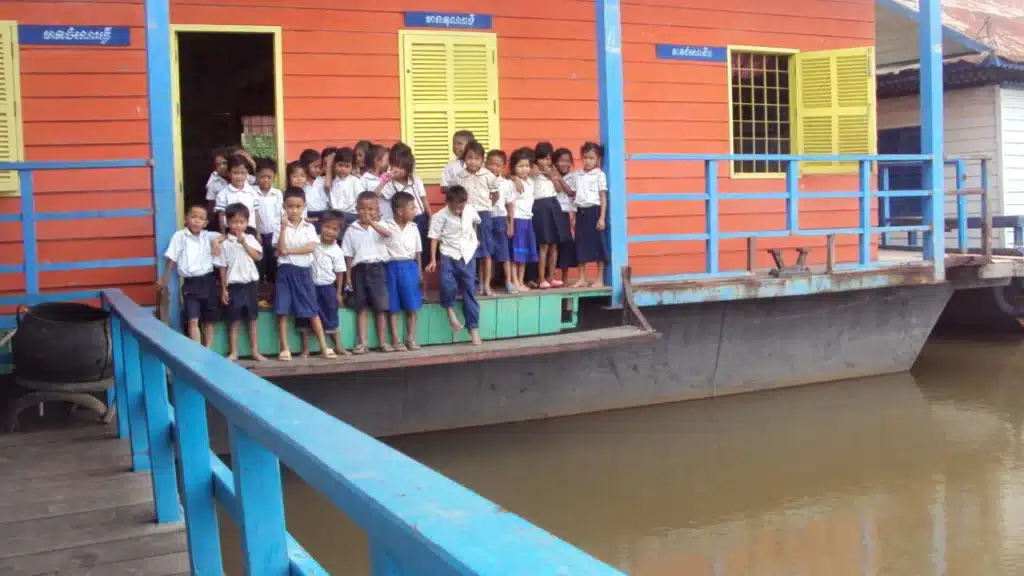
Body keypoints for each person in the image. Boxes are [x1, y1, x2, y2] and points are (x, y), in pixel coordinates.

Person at [273, 187, 335, 360]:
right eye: (290, 206)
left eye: (298, 206)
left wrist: (289, 250)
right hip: (285, 272)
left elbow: (310, 247)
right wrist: (283, 229)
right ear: (284, 207)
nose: (294, 210)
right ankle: (285, 348)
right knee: (283, 310)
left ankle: (324, 346)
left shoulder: (309, 227)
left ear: (304, 206)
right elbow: (279, 250)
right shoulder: (279, 227)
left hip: (303, 272)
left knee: (312, 309)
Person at [427, 185, 483, 346]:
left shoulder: (470, 210)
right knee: (447, 285)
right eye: (454, 208)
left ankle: (474, 330)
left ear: (465, 202)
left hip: (467, 255)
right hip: (448, 254)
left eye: (460, 207)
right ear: (447, 202)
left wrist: (475, 238)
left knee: (469, 291)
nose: (458, 211)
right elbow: (434, 238)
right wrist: (432, 259)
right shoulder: (439, 216)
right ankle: (450, 313)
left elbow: (476, 223)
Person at [158, 203, 220, 346]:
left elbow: (224, 236)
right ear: (186, 219)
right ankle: (197, 350)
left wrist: (216, 241)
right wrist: (164, 279)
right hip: (191, 283)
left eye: (201, 218)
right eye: (193, 217)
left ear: (205, 223)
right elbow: (172, 258)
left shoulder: (208, 236)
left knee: (209, 319)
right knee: (193, 318)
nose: (197, 220)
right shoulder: (180, 236)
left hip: (208, 280)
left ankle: (208, 349)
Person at [341, 191, 393, 354]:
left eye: (371, 209)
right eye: (363, 209)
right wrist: (348, 277)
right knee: (361, 307)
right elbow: (348, 255)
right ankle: (363, 343)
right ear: (357, 209)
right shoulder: (352, 230)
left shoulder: (382, 225)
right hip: (359, 270)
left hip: (378, 269)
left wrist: (373, 224)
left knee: (380, 307)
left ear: (378, 210)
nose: (367, 213)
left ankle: (383, 342)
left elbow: (388, 235)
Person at [214, 203, 265, 361]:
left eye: (242, 222)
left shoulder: (250, 239)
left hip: (250, 285)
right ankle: (234, 352)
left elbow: (257, 256)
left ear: (247, 222)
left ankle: (255, 351)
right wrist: (224, 289)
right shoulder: (224, 243)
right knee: (234, 320)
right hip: (233, 286)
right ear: (227, 223)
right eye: (234, 222)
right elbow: (222, 268)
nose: (238, 225)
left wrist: (244, 242)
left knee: (252, 320)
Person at [299, 211, 349, 357]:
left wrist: (338, 292)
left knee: (331, 316)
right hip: (309, 286)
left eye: (334, 229)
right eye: (327, 227)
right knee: (306, 317)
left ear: (339, 232)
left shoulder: (337, 251)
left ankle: (338, 346)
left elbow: (340, 273)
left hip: (327, 287)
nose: (330, 231)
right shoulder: (312, 243)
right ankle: (306, 349)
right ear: (321, 226)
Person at [455, 140, 499, 295]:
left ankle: (486, 285)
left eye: (477, 158)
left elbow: (495, 194)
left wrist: (487, 206)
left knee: (485, 252)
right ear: (464, 159)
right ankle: (469, 285)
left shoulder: (488, 175)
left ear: (482, 160)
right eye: (469, 158)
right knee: (468, 251)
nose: (473, 161)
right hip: (466, 216)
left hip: (483, 215)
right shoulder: (459, 176)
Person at [383, 192, 424, 351]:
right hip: (391, 267)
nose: (415, 211)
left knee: (412, 305)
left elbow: (418, 252)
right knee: (393, 306)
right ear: (400, 211)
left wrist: (419, 271)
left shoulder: (414, 227)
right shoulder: (387, 225)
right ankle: (396, 339)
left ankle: (411, 339)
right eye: (412, 208)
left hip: (410, 267)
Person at [379, 145, 431, 260]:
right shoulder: (390, 184)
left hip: (421, 218)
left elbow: (424, 199)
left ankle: (421, 273)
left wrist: (430, 217)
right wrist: (384, 181)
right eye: (393, 166)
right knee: (410, 248)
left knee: (423, 248)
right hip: (405, 222)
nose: (395, 170)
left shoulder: (416, 180)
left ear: (407, 168)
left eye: (400, 167)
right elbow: (374, 196)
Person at [531, 141, 571, 289]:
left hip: (554, 205)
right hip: (540, 206)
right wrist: (540, 170)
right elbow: (529, 173)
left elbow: (560, 190)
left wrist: (553, 176)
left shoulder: (552, 170)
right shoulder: (532, 169)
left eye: (548, 159)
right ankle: (541, 278)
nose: (546, 162)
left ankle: (551, 276)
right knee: (544, 244)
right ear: (536, 159)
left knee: (554, 244)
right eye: (542, 158)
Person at [574, 142, 610, 288]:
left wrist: (601, 217)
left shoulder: (600, 175)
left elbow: (602, 197)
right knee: (580, 244)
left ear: (597, 159)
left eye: (591, 158)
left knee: (597, 244)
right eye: (585, 157)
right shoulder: (578, 174)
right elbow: (571, 192)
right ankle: (582, 277)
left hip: (594, 211)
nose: (587, 161)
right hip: (580, 212)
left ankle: (599, 278)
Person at [508, 147, 538, 292]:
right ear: (514, 167)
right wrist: (513, 178)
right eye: (520, 166)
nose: (524, 169)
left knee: (524, 253)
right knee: (516, 254)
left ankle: (521, 280)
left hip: (528, 220)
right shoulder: (512, 182)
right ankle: (515, 281)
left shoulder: (531, 182)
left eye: (527, 166)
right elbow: (511, 203)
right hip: (517, 219)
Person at [486, 149, 514, 292]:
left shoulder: (507, 184)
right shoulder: (482, 180)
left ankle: (508, 282)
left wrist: (510, 224)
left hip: (500, 219)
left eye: (498, 165)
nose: (494, 168)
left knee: (504, 253)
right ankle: (486, 283)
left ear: (503, 167)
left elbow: (510, 205)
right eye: (491, 164)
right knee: (486, 253)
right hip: (485, 218)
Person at [252, 157, 282, 289]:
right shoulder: (252, 192)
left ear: (274, 177)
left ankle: (272, 289)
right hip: (258, 234)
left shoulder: (277, 194)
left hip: (273, 233)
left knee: (273, 262)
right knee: (259, 262)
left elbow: (280, 215)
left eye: (269, 177)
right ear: (256, 177)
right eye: (262, 176)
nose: (265, 180)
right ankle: (260, 289)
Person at [553, 147, 579, 286]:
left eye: (568, 161)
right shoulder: (550, 176)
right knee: (552, 244)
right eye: (561, 161)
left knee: (566, 244)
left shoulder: (573, 177)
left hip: (566, 212)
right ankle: (550, 275)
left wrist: (559, 178)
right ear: (555, 162)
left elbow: (571, 193)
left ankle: (565, 277)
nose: (565, 164)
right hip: (553, 211)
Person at [214, 155, 260, 234]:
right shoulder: (223, 194)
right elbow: (221, 217)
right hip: (230, 231)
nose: (239, 176)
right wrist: (223, 234)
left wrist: (258, 234)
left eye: (242, 173)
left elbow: (256, 214)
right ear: (229, 173)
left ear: (247, 174)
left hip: (250, 231)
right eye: (236, 173)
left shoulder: (252, 192)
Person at [326, 147, 361, 233]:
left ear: (352, 167)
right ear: (334, 165)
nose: (343, 169)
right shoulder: (333, 181)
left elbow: (360, 198)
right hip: (336, 216)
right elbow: (327, 186)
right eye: (340, 165)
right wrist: (329, 165)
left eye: (347, 166)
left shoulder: (354, 181)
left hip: (351, 215)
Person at [299, 148, 328, 231]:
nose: (318, 170)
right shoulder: (301, 184)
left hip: (324, 216)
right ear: (305, 166)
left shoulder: (322, 180)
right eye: (315, 167)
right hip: (307, 217)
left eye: (320, 167)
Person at [204, 147, 230, 221]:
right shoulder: (213, 184)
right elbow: (211, 208)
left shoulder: (240, 177)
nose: (222, 167)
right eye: (218, 165)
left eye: (224, 163)